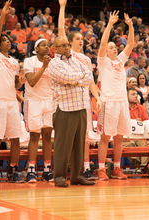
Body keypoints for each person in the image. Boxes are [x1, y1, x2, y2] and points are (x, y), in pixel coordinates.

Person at [58, 0, 102, 181]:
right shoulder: (67, 54)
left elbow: (91, 81)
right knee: (69, 138)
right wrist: (62, 7)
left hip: (84, 100)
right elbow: (61, 31)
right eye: (77, 38)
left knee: (84, 137)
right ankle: (65, 170)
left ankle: (83, 168)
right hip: (68, 101)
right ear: (69, 43)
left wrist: (97, 97)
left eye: (82, 39)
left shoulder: (85, 58)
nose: (81, 40)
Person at [0, 0, 25, 184]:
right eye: (4, 40)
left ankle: (13, 170)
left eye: (9, 41)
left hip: (11, 102)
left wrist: (21, 81)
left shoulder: (15, 62)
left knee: (15, 139)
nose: (7, 42)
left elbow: (16, 85)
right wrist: (3, 15)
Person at [95, 11, 134, 181]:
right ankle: (101, 169)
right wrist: (110, 25)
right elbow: (103, 43)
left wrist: (130, 26)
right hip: (108, 102)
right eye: (111, 47)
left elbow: (130, 44)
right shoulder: (103, 61)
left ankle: (117, 168)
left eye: (114, 46)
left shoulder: (120, 60)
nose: (114, 48)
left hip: (122, 103)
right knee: (105, 137)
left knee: (119, 137)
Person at [23, 39, 54, 183]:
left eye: (48, 45)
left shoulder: (53, 62)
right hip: (33, 101)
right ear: (36, 48)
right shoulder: (29, 61)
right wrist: (44, 66)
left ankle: (47, 169)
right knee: (34, 136)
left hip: (49, 101)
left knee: (47, 136)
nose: (47, 46)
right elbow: (32, 82)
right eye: (43, 45)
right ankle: (31, 170)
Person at [123, 88, 149, 174]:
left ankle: (141, 168)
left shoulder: (141, 108)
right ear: (127, 97)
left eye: (136, 94)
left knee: (148, 145)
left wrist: (140, 123)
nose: (136, 96)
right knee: (131, 145)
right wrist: (134, 121)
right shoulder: (122, 108)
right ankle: (142, 167)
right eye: (133, 94)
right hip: (126, 137)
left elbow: (147, 123)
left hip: (139, 136)